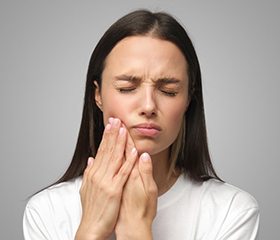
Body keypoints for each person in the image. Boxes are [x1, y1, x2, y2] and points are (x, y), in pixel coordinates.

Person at [23, 10, 259, 240]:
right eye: (127, 88)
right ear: (98, 95)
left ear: (188, 99)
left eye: (169, 91)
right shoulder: (47, 211)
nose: (148, 105)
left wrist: (136, 230)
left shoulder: (232, 211)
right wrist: (90, 232)